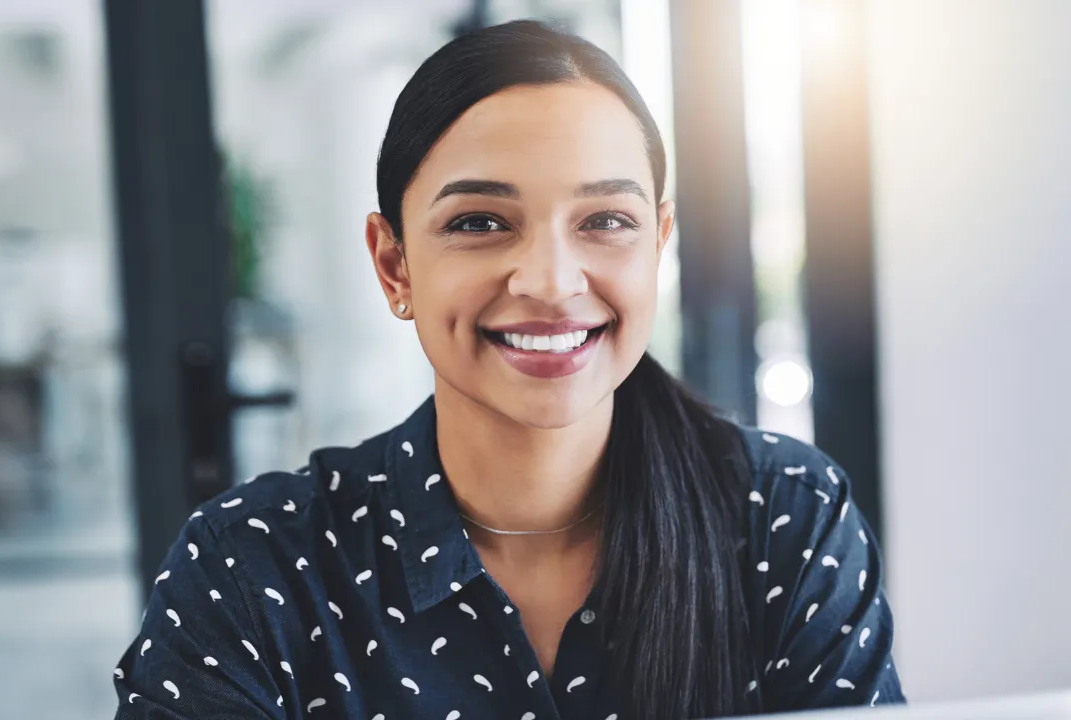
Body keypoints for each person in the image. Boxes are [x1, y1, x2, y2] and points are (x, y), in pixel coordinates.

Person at [112, 20, 904, 719]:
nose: (552, 282)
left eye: (605, 221)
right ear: (395, 267)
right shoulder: (255, 565)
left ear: (657, 245)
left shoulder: (784, 521)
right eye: (481, 222)